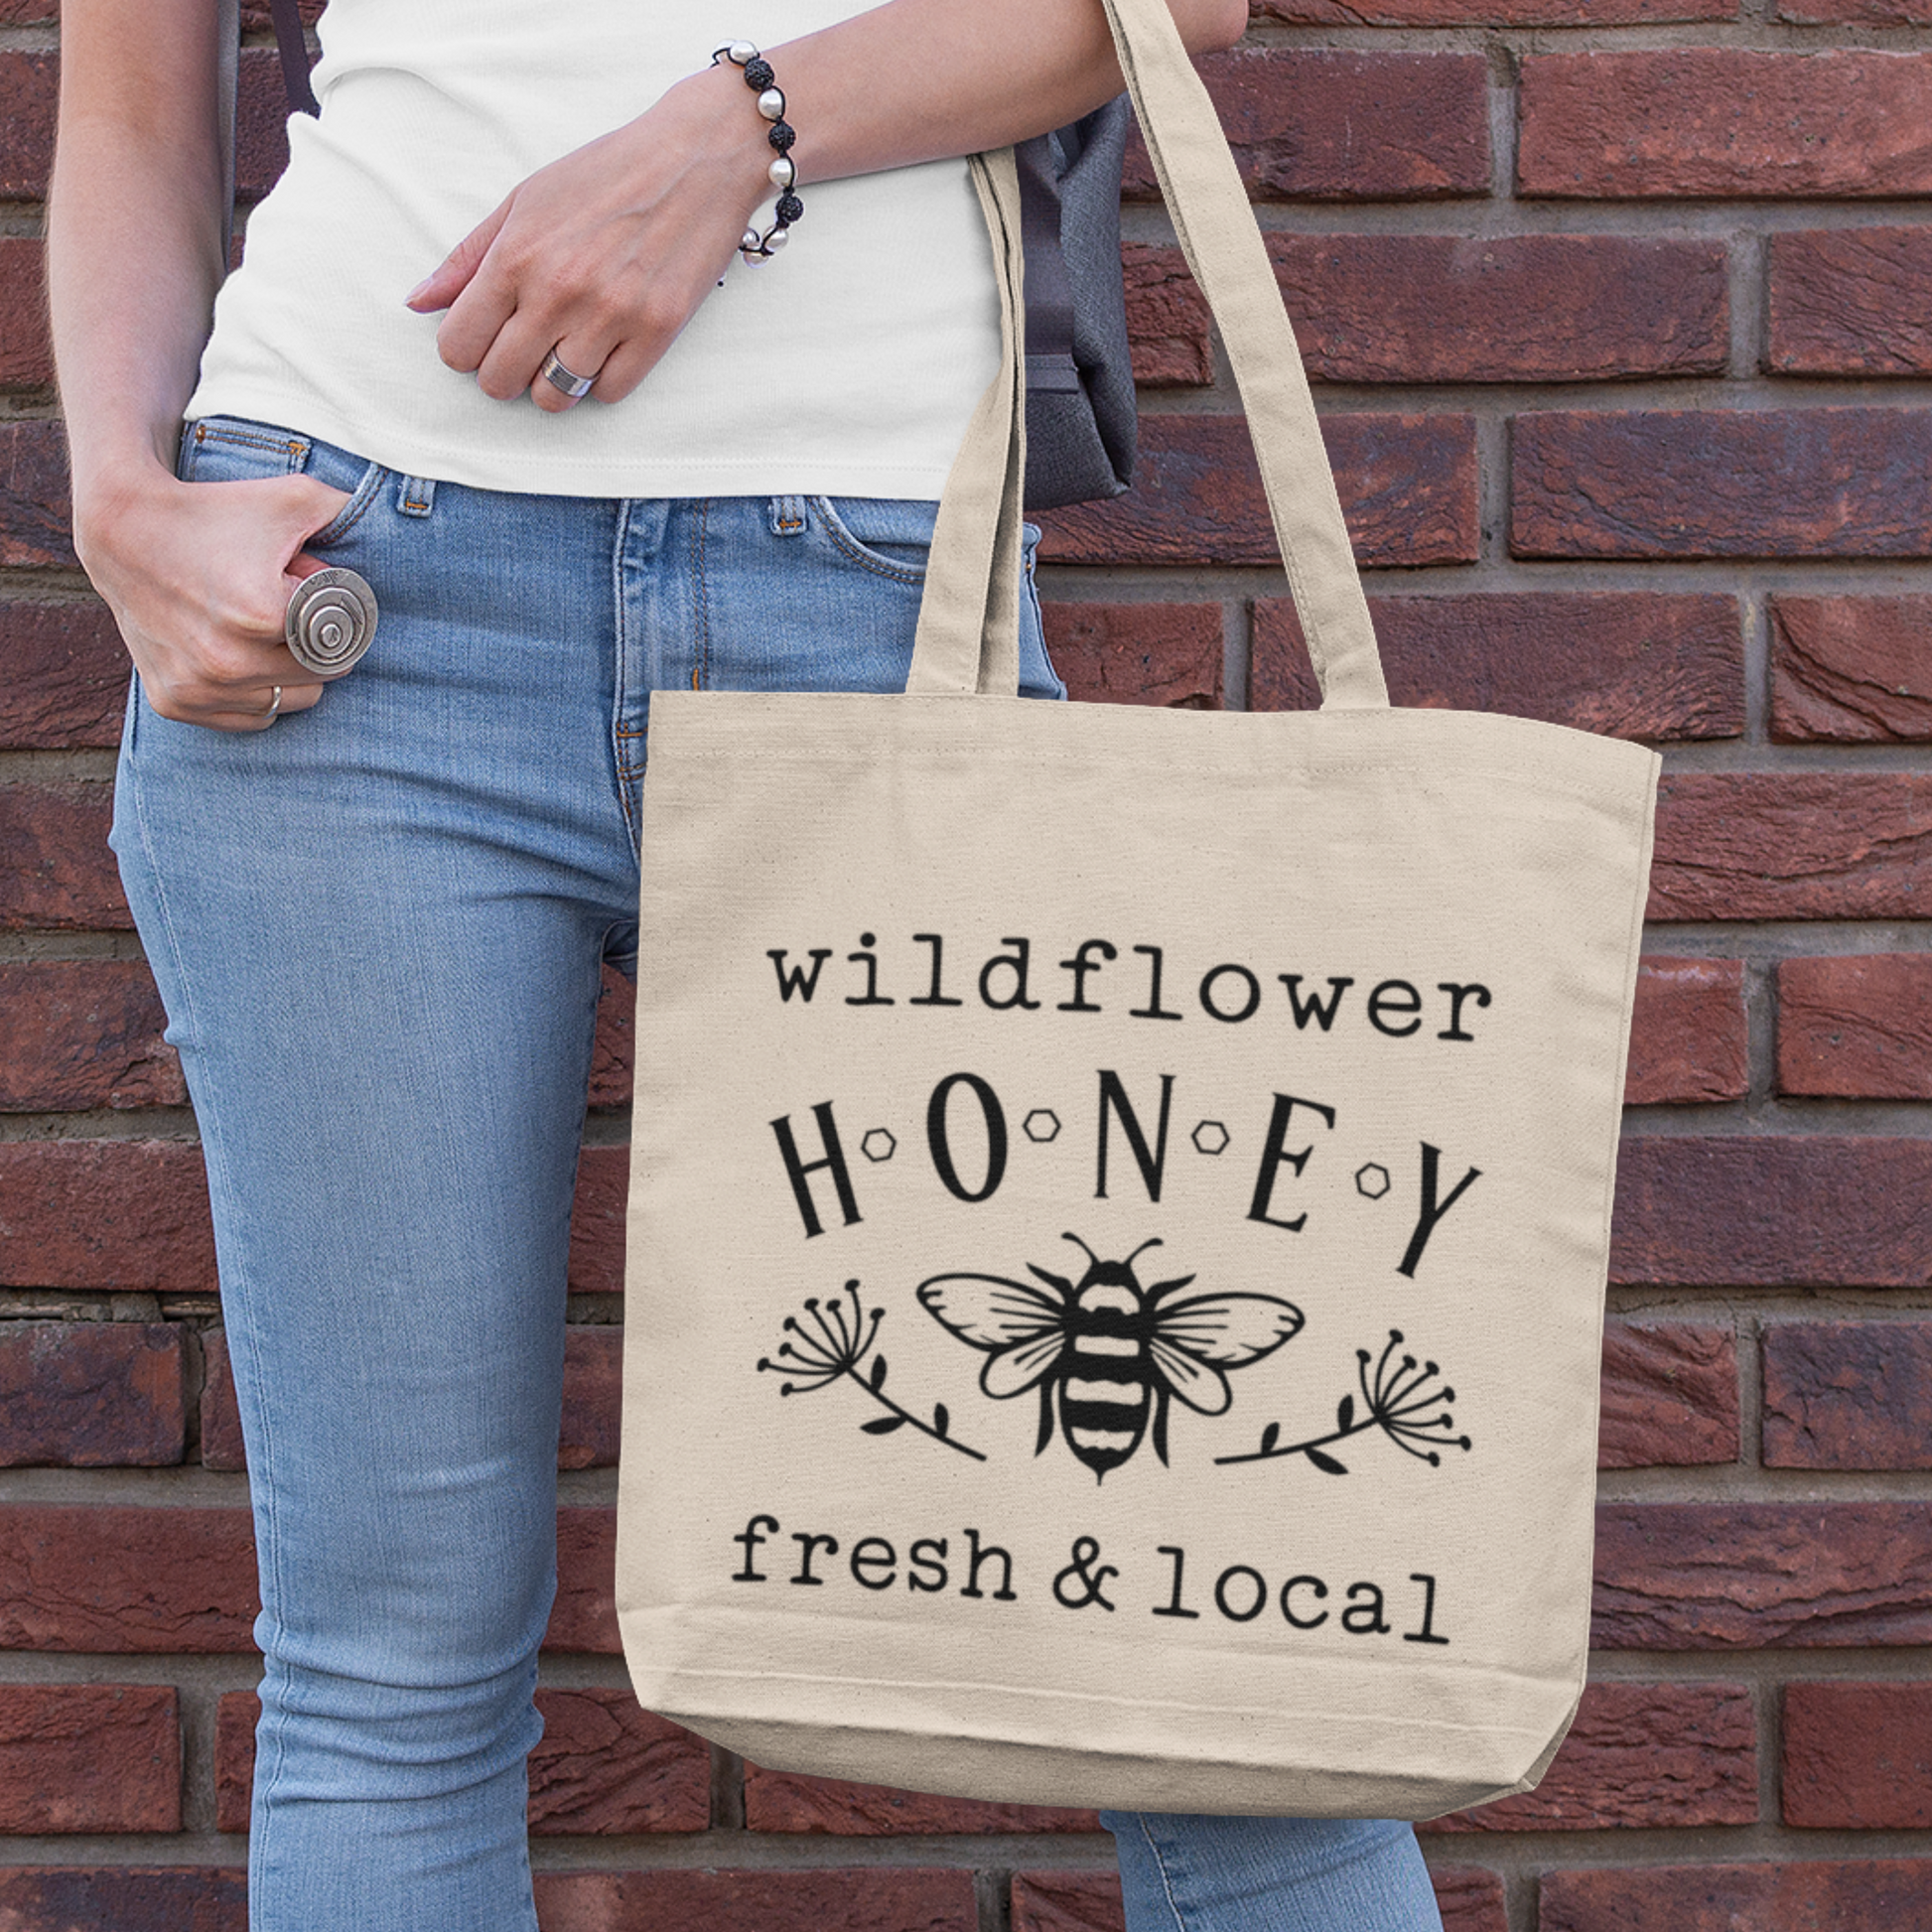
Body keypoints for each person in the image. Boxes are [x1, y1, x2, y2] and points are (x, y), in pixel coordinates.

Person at [47, 1, 1447, 1926]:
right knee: (388, 1678)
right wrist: (115, 497)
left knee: (1203, 1686)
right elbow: (131, 114)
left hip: (881, 605)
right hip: (348, 611)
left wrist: (741, 126)